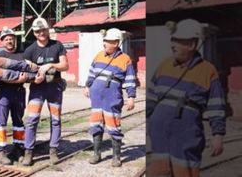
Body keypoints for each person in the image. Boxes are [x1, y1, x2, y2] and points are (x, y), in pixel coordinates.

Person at [147, 19, 225, 177]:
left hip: (186, 135)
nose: (173, 45)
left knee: (185, 172)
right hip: (159, 135)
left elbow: (216, 106)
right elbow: (150, 97)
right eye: (173, 40)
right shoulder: (164, 65)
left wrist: (218, 135)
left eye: (178, 41)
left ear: (192, 45)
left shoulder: (208, 71)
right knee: (159, 172)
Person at [82, 28, 137, 167]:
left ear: (116, 43)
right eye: (104, 40)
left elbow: (130, 79)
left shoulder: (125, 59)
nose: (104, 43)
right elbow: (92, 72)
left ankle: (116, 157)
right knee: (96, 125)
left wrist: (131, 96)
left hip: (112, 97)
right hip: (96, 97)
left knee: (114, 126)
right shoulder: (99, 55)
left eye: (107, 41)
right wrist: (87, 86)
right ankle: (96, 154)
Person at [22, 17, 69, 166]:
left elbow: (65, 65)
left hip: (54, 87)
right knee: (31, 120)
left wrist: (50, 65)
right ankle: (28, 152)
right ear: (34, 33)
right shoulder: (30, 50)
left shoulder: (57, 46)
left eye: (43, 30)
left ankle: (53, 151)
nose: (41, 33)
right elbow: (25, 70)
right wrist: (33, 78)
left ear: (47, 30)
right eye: (37, 31)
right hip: (37, 88)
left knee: (55, 120)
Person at [0, 27, 27, 165]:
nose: (9, 41)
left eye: (11, 39)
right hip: (5, 92)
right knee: (1, 122)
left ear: (15, 40)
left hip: (19, 92)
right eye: (6, 39)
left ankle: (18, 148)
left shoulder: (23, 55)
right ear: (2, 42)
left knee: (19, 122)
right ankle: (0, 150)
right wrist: (17, 79)